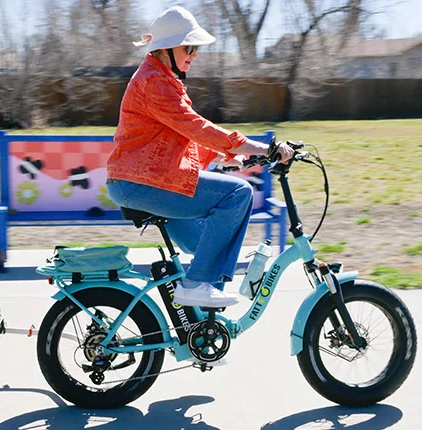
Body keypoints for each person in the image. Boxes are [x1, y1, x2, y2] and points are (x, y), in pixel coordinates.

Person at [106, 6, 294, 308]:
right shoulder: (155, 83)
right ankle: (196, 286)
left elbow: (178, 136)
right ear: (166, 49)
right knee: (238, 194)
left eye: (195, 48)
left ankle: (203, 325)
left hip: (145, 180)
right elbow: (194, 126)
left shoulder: (162, 78)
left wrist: (225, 156)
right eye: (189, 47)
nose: (193, 54)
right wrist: (260, 148)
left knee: (202, 241)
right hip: (140, 183)